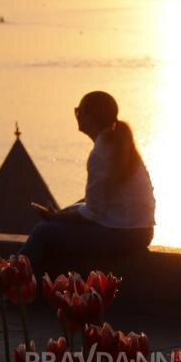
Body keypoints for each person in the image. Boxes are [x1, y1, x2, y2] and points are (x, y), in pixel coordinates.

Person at [21, 91, 155, 273]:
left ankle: (11, 284)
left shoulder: (101, 153)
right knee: (59, 225)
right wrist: (64, 213)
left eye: (79, 111)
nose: (77, 116)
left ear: (91, 116)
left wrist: (57, 218)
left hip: (124, 234)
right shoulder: (119, 146)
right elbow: (96, 202)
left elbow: (93, 213)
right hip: (141, 232)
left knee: (43, 231)